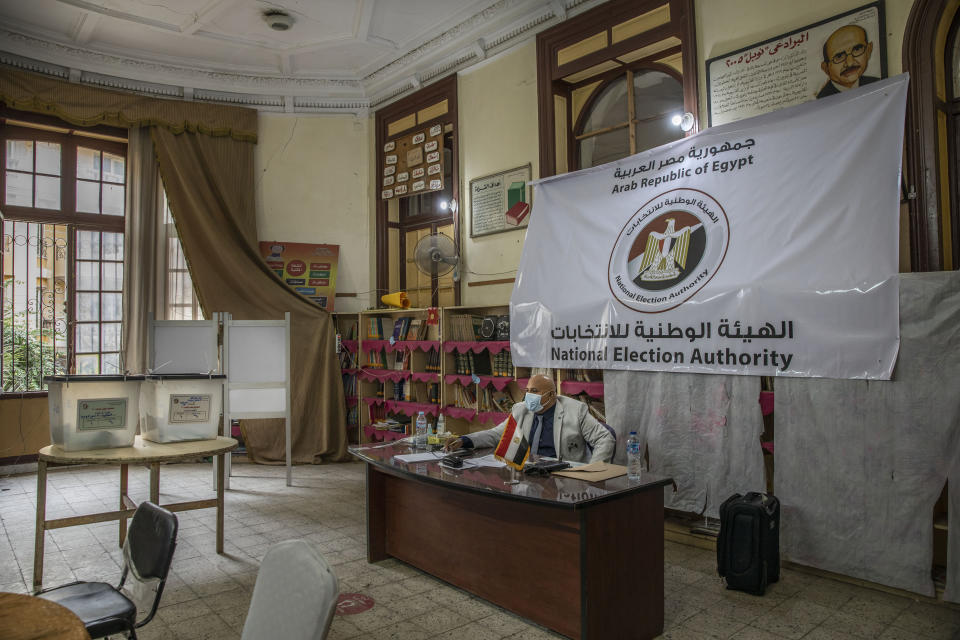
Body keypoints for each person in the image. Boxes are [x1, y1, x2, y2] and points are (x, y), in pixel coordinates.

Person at [443, 374, 615, 463]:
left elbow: (604, 438)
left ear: (551, 395)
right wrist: (464, 440)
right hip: (530, 472)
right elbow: (497, 434)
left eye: (534, 391)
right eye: (527, 391)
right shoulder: (521, 409)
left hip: (564, 475)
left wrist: (593, 471)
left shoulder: (575, 410)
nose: (528, 396)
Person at [816, 24, 878, 99]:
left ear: (869, 50)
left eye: (857, 49)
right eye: (839, 57)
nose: (850, 63)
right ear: (826, 68)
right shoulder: (821, 101)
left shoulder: (877, 84)